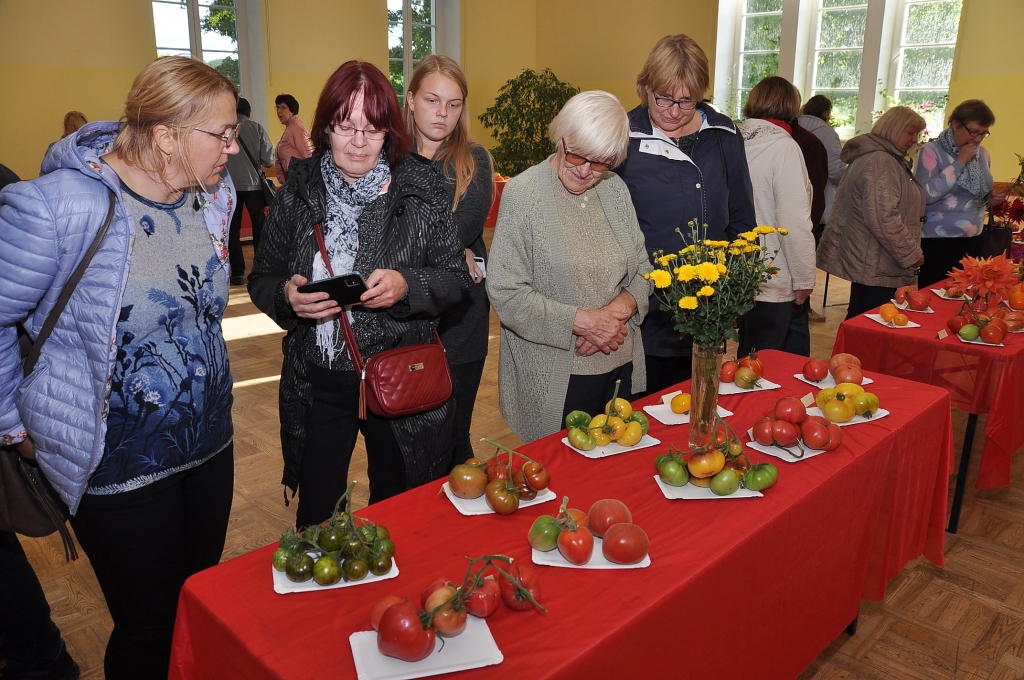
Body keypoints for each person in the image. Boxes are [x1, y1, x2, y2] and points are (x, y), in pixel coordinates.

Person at [0, 56, 239, 680]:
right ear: (165, 136)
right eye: (222, 134)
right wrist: (13, 424)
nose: (233, 149)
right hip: (118, 466)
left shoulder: (213, 195)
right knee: (148, 624)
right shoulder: (56, 208)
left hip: (210, 445)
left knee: (198, 602)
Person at [249, 61, 470, 528]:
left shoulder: (420, 189)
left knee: (401, 512)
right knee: (318, 518)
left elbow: (456, 278)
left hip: (398, 374)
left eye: (371, 129)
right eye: (345, 126)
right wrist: (287, 296)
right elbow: (263, 276)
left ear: (389, 132)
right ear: (325, 126)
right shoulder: (298, 193)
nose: (357, 142)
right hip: (320, 380)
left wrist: (409, 285)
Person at [487, 90, 652, 443]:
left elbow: (643, 269)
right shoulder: (523, 194)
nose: (585, 170)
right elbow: (506, 291)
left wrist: (614, 314)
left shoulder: (614, 189)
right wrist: (585, 324)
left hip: (619, 362)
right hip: (556, 375)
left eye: (600, 162)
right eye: (576, 154)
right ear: (560, 137)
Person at [614, 34, 756, 394]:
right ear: (645, 87)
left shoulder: (723, 134)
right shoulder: (622, 137)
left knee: (695, 402)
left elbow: (741, 216)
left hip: (708, 305)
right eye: (663, 98)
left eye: (686, 100)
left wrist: (736, 290)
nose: (674, 111)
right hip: (643, 305)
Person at [404, 55, 494, 468]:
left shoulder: (474, 159)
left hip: (461, 318)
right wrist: (449, 245)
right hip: (401, 319)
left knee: (455, 439)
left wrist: (451, 244)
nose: (443, 113)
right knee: (405, 444)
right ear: (410, 99)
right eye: (432, 100)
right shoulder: (387, 156)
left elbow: (460, 230)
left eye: (454, 104)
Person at [817, 106, 927, 319]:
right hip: (877, 263)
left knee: (866, 322)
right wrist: (911, 255)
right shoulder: (880, 162)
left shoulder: (884, 158)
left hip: (877, 260)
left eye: (917, 134)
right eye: (910, 132)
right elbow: (883, 218)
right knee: (870, 325)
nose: (914, 139)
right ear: (893, 128)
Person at [735, 77, 816, 357]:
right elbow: (793, 221)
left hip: (740, 269)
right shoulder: (784, 148)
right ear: (792, 107)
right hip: (774, 271)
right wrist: (805, 279)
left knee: (748, 356)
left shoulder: (734, 140)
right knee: (767, 363)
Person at [915, 99, 996, 287]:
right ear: (956, 124)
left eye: (983, 133)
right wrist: (959, 161)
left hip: (973, 237)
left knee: (965, 297)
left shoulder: (983, 154)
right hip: (937, 240)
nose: (977, 139)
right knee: (935, 296)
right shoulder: (931, 151)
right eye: (973, 132)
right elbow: (926, 196)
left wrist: (991, 198)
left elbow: (978, 192)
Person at [225, 96, 275, 285]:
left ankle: (237, 272)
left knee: (233, 229)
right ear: (249, 112)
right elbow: (268, 161)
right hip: (254, 185)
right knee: (259, 228)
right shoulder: (257, 128)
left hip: (230, 186)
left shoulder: (226, 130)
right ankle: (260, 269)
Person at [273, 94, 312, 183]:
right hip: (293, 180)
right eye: (277, 107)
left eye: (283, 108)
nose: (279, 111)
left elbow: (308, 155)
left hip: (299, 180)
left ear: (292, 110)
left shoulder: (296, 128)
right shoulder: (291, 127)